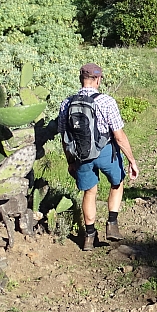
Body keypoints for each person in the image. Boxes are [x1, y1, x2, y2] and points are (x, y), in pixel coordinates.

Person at [58, 63, 140, 251]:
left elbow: (64, 136)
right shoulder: (107, 101)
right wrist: (131, 160)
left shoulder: (67, 103)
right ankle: (112, 224)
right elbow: (118, 136)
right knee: (117, 183)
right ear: (98, 79)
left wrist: (70, 161)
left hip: (81, 154)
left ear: (81, 79)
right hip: (105, 152)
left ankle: (89, 237)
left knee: (90, 192)